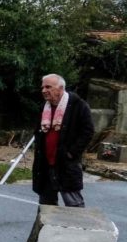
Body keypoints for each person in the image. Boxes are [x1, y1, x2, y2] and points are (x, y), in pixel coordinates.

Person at [32, 74, 95, 208]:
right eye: (42, 87)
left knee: (74, 205)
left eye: (48, 87)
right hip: (45, 164)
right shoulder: (44, 107)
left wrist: (71, 153)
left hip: (66, 163)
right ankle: (46, 229)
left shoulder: (78, 106)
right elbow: (38, 131)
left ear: (60, 88)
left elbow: (88, 131)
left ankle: (76, 229)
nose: (43, 90)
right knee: (46, 206)